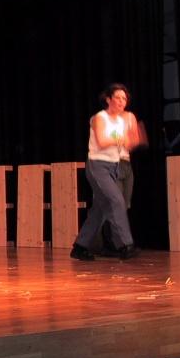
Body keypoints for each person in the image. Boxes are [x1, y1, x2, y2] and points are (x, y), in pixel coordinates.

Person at [71, 83, 142, 261]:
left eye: (124, 98)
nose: (121, 101)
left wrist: (131, 139)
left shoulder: (121, 121)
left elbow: (129, 143)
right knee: (116, 200)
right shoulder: (99, 118)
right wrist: (121, 139)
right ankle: (125, 245)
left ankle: (80, 246)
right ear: (108, 99)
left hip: (114, 166)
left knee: (100, 209)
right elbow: (102, 141)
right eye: (117, 97)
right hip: (98, 166)